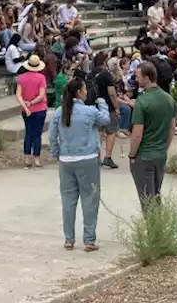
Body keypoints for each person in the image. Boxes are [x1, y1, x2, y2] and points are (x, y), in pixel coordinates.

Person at [48, 79, 109, 252]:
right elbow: (104, 119)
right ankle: (89, 239)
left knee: (68, 200)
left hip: (66, 160)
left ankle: (69, 238)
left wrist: (56, 153)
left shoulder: (60, 112)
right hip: (87, 158)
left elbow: (52, 136)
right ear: (80, 92)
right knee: (90, 199)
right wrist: (102, 102)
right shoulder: (89, 111)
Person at [127, 62, 175, 209]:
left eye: (138, 76)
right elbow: (172, 129)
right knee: (156, 195)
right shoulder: (169, 99)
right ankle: (159, 228)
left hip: (143, 156)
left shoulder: (142, 102)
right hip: (160, 155)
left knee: (147, 200)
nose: (136, 79)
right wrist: (163, 149)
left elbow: (137, 134)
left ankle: (152, 231)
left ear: (146, 78)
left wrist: (132, 155)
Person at [84, 51, 121, 169]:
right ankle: (108, 157)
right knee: (111, 131)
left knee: (97, 132)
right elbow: (112, 93)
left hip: (92, 106)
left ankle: (97, 157)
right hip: (107, 107)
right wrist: (116, 107)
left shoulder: (89, 75)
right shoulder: (106, 75)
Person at [16, 55, 49, 168]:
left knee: (28, 133)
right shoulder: (41, 78)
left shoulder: (22, 78)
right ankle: (37, 158)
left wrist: (26, 107)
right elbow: (41, 95)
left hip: (26, 110)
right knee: (37, 133)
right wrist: (32, 103)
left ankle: (27, 157)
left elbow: (18, 95)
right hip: (39, 108)